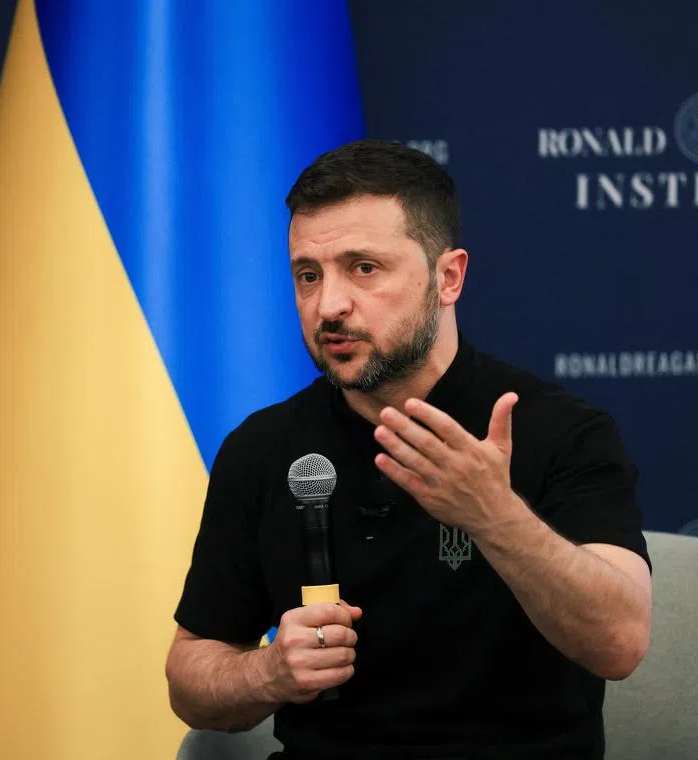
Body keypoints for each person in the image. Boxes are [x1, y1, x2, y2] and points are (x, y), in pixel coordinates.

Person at [164, 139, 653, 759]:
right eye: (308, 275)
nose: (329, 305)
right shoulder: (263, 448)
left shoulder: (562, 431)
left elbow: (621, 640)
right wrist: (270, 674)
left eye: (363, 268)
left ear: (449, 277)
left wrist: (493, 514)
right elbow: (189, 674)